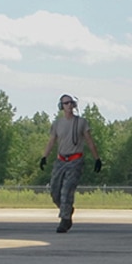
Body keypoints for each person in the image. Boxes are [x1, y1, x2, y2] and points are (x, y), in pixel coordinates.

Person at [40, 93, 102, 232]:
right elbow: (51, 141)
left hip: (75, 160)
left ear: (74, 105)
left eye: (70, 103)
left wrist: (97, 158)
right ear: (61, 106)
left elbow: (89, 141)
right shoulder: (57, 124)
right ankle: (67, 209)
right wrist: (44, 156)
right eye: (65, 103)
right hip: (61, 160)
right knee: (55, 191)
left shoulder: (81, 122)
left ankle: (65, 220)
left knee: (67, 190)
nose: (68, 105)